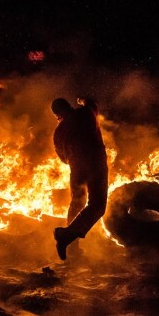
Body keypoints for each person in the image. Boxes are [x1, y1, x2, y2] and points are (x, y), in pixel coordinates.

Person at [51, 97, 108, 260]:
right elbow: (92, 103)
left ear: (57, 115)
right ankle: (66, 235)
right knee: (97, 205)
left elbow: (62, 157)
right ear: (69, 106)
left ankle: (72, 248)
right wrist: (82, 100)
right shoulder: (85, 113)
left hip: (76, 167)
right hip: (95, 162)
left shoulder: (58, 133)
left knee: (77, 203)